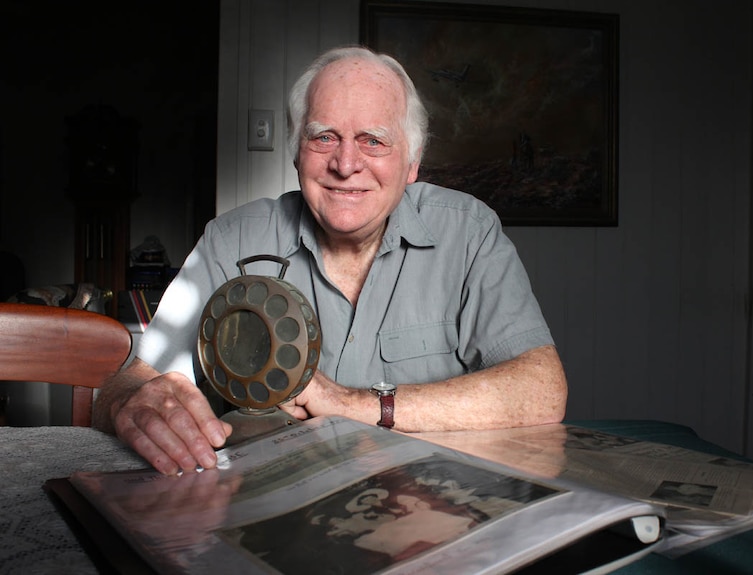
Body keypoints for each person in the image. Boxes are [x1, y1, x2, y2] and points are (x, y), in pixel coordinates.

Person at [93, 46, 567, 475]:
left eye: (373, 141)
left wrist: (351, 405)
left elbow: (542, 390)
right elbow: (130, 382)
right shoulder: (230, 241)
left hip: (425, 519)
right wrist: (130, 401)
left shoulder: (468, 232)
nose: (346, 163)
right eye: (324, 138)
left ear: (412, 162)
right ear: (297, 153)